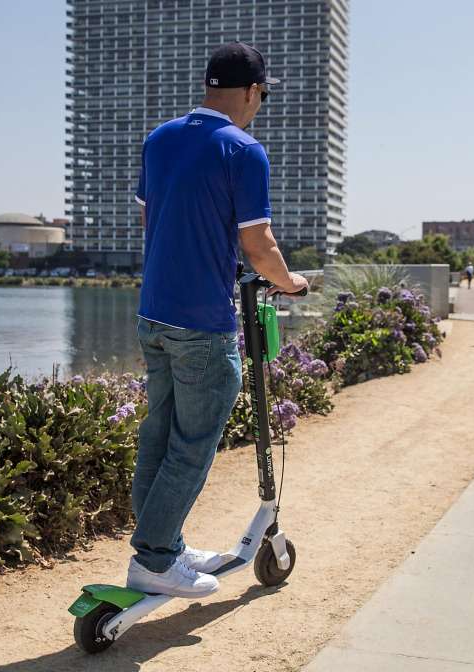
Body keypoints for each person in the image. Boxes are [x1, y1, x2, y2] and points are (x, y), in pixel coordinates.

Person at [129, 42, 308, 598]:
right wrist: (289, 282)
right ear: (253, 91)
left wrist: (214, 255)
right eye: (263, 97)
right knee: (192, 445)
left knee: (158, 435)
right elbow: (259, 244)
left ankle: (166, 546)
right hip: (202, 324)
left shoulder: (159, 139)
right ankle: (155, 560)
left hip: (153, 313)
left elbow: (157, 222)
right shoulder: (243, 149)